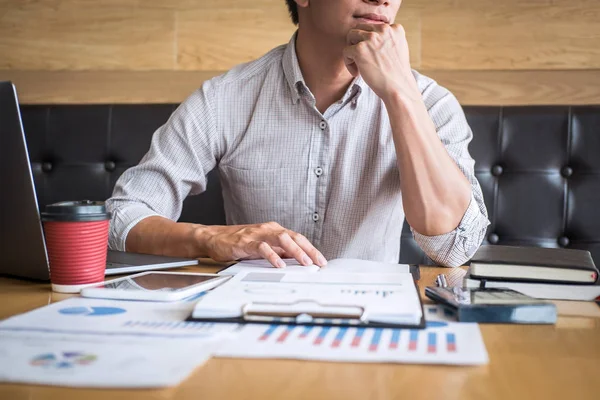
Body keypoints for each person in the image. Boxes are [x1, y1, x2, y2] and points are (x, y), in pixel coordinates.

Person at [106, 0, 490, 269]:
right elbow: (121, 217)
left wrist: (400, 93)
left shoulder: (431, 104)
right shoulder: (224, 99)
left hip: (372, 325)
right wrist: (212, 239)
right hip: (252, 321)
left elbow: (454, 247)